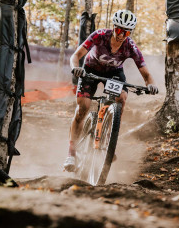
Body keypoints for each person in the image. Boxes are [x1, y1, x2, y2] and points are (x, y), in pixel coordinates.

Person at [63, 9, 157, 172]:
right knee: (83, 107)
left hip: (114, 73)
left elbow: (146, 74)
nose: (121, 35)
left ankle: (108, 138)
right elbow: (76, 56)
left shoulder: (130, 46)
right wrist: (76, 68)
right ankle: (71, 153)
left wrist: (151, 85)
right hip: (90, 70)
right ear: (114, 27)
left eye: (126, 32)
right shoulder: (99, 35)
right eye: (119, 30)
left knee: (122, 97)